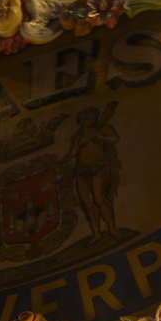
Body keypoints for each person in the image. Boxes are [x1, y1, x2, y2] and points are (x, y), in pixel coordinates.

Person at [69, 104, 120, 243]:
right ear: (81, 121)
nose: (89, 121)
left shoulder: (102, 129)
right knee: (88, 203)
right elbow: (73, 153)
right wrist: (61, 163)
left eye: (91, 118)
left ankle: (112, 228)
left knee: (99, 199)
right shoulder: (78, 137)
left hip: (99, 168)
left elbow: (115, 139)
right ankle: (96, 233)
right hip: (81, 171)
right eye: (86, 119)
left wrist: (102, 138)